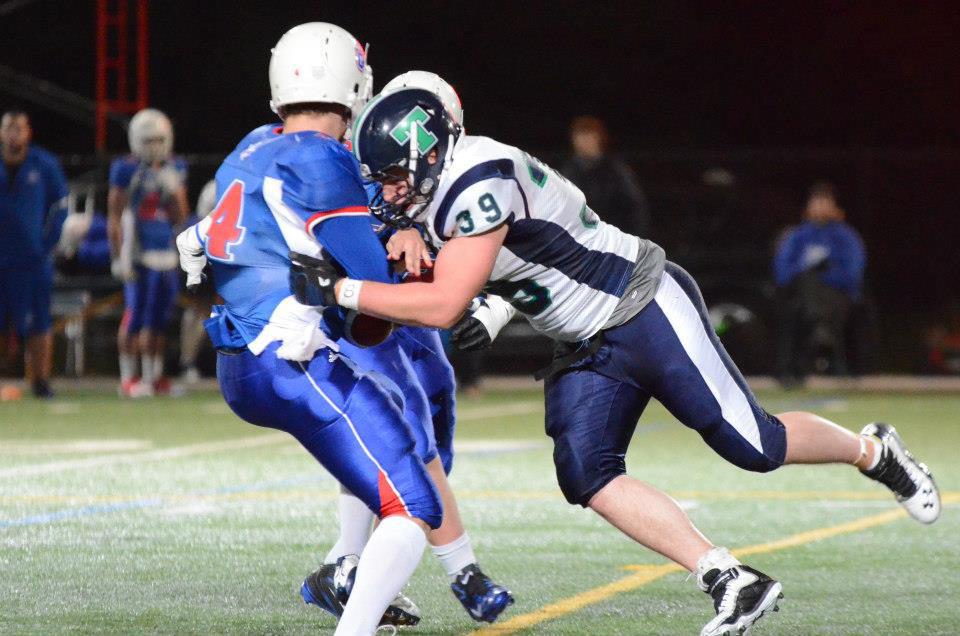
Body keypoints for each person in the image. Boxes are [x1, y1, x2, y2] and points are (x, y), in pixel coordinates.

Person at [293, 87, 942, 636]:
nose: (390, 192)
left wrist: (342, 290)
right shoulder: (440, 190)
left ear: (434, 152)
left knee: (756, 444)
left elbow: (444, 302)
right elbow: (514, 261)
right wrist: (442, 270)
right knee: (587, 472)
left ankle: (873, 451)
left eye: (396, 176)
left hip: (641, 305)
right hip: (584, 342)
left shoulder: (479, 179)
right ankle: (727, 577)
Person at [176, 24, 445, 636]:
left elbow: (217, 232)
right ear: (354, 84)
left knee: (383, 414)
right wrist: (432, 268)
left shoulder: (253, 145)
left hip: (240, 362)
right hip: (288, 360)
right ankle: (353, 619)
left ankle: (343, 569)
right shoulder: (322, 158)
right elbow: (372, 291)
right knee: (414, 504)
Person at [303, 71, 513, 627]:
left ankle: (355, 566)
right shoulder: (361, 161)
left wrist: (494, 305)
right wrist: (395, 227)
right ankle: (449, 569)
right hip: (367, 314)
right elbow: (351, 224)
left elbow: (498, 254)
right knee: (404, 438)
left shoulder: (461, 177)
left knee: (432, 426)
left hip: (414, 318)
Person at [108, 108, 190, 397]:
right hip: (137, 252)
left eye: (158, 140)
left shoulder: (176, 166)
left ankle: (154, 377)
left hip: (165, 251)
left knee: (159, 320)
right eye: (148, 141)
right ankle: (128, 378)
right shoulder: (125, 168)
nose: (154, 146)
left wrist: (174, 189)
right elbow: (115, 216)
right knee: (135, 316)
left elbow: (181, 216)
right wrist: (118, 256)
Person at [0, 109, 68, 399]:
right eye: (9, 128)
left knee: (39, 321)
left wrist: (45, 244)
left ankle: (40, 381)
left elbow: (60, 207)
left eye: (19, 128)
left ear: (28, 132)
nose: (14, 134)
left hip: (31, 259)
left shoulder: (44, 164)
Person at [774, 182, 866, 384]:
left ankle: (818, 324)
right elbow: (782, 273)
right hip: (802, 296)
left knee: (813, 286)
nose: (821, 207)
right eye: (817, 202)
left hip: (837, 296)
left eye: (825, 202)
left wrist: (825, 273)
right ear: (808, 207)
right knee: (807, 281)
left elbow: (852, 275)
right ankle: (820, 328)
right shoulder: (797, 237)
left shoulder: (846, 237)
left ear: (835, 207)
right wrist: (807, 266)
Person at [561, 116, 650, 236]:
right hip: (582, 238)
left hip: (616, 235)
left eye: (589, 137)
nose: (585, 143)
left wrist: (632, 236)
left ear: (599, 139)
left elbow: (635, 206)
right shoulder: (569, 171)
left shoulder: (616, 169)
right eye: (580, 137)